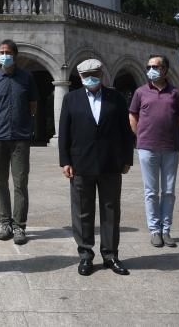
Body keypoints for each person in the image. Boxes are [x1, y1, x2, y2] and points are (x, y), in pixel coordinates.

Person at [58, 58, 135, 276]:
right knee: (82, 211)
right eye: (85, 75)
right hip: (81, 163)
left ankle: (110, 255)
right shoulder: (71, 99)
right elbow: (64, 131)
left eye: (94, 74)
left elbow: (125, 131)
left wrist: (127, 159)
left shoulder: (116, 98)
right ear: (80, 77)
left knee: (111, 211)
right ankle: (85, 255)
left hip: (110, 163)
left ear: (101, 75)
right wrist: (65, 160)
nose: (90, 78)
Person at [129, 54, 179, 248]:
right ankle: (154, 230)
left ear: (164, 70)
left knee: (168, 191)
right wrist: (141, 136)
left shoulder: (175, 93)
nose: (151, 69)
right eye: (148, 66)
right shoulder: (140, 92)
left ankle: (166, 230)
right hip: (147, 147)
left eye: (155, 66)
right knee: (151, 192)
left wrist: (168, 133)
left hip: (170, 148)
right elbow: (133, 115)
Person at [0, 38, 37, 244]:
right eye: (1, 52)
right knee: (0, 182)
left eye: (7, 52)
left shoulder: (27, 77)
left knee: (20, 182)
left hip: (20, 137)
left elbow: (32, 105)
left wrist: (23, 124)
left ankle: (19, 226)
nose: (4, 55)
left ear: (15, 55)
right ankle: (5, 223)